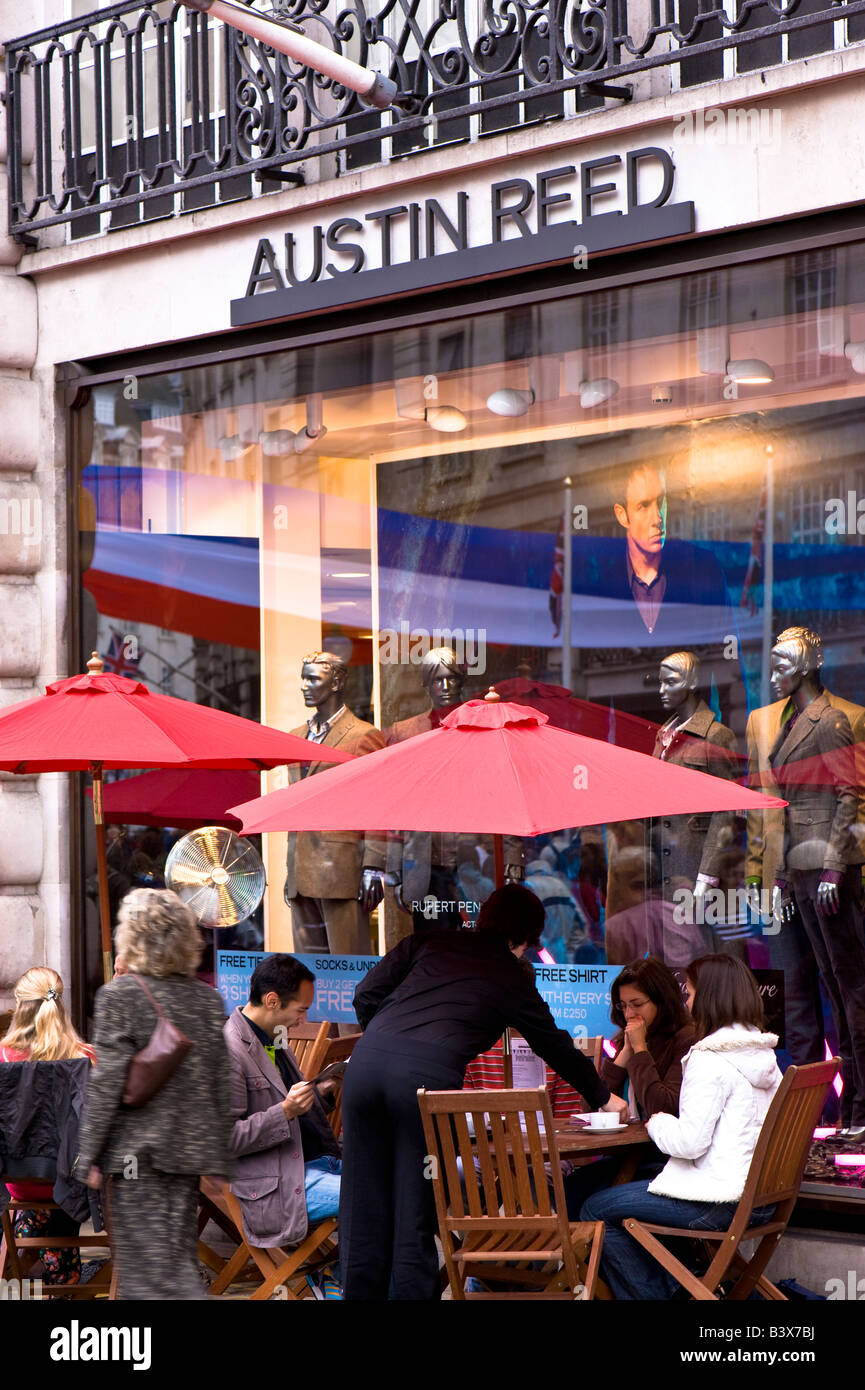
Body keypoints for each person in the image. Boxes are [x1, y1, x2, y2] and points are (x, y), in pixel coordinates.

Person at [338, 884, 628, 1300]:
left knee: (361, 1202)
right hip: (423, 1081)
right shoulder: (509, 975)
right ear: (525, 938)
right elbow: (554, 1044)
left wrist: (388, 1039)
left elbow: (364, 994)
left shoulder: (425, 942)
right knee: (412, 1205)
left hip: (364, 1068)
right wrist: (603, 1097)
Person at [580, 954, 782, 1300]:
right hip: (762, 1198)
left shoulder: (707, 1057)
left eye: (689, 993)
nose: (686, 1002)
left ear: (707, 998)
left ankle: (665, 1294)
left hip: (718, 1199)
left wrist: (657, 1121)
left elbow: (689, 1143)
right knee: (596, 1194)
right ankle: (681, 1288)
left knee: (594, 1209)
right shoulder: (762, 1054)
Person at [77, 888, 233, 1300]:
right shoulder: (207, 999)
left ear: (133, 938)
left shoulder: (119, 996)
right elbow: (220, 1079)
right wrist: (218, 1156)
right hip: (186, 1158)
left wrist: (88, 1155)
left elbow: (107, 1080)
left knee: (151, 1275)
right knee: (168, 1262)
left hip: (136, 1157)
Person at [223, 955, 342, 1261]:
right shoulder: (229, 1050)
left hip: (313, 1163)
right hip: (280, 1185)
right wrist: (285, 1111)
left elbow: (289, 1105)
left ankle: (338, 1279)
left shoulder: (271, 1039)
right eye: (301, 1010)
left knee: (393, 1181)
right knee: (376, 1196)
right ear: (272, 1001)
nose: (303, 1020)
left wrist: (323, 1093)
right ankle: (335, 1279)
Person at [561, 957, 695, 1215]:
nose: (629, 1014)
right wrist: (624, 1055)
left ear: (661, 1001)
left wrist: (641, 1050)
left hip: (664, 1163)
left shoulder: (686, 1040)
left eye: (637, 1004)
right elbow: (590, 1106)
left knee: (590, 1202)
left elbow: (664, 1107)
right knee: (566, 1192)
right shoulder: (626, 1041)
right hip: (623, 1155)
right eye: (623, 1006)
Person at [0, 967, 95, 1285]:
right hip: (73, 1184)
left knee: (43, 1192)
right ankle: (63, 1272)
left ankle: (34, 1251)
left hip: (17, 1182)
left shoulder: (2, 1057)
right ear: (61, 1004)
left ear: (18, 1005)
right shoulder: (86, 1059)